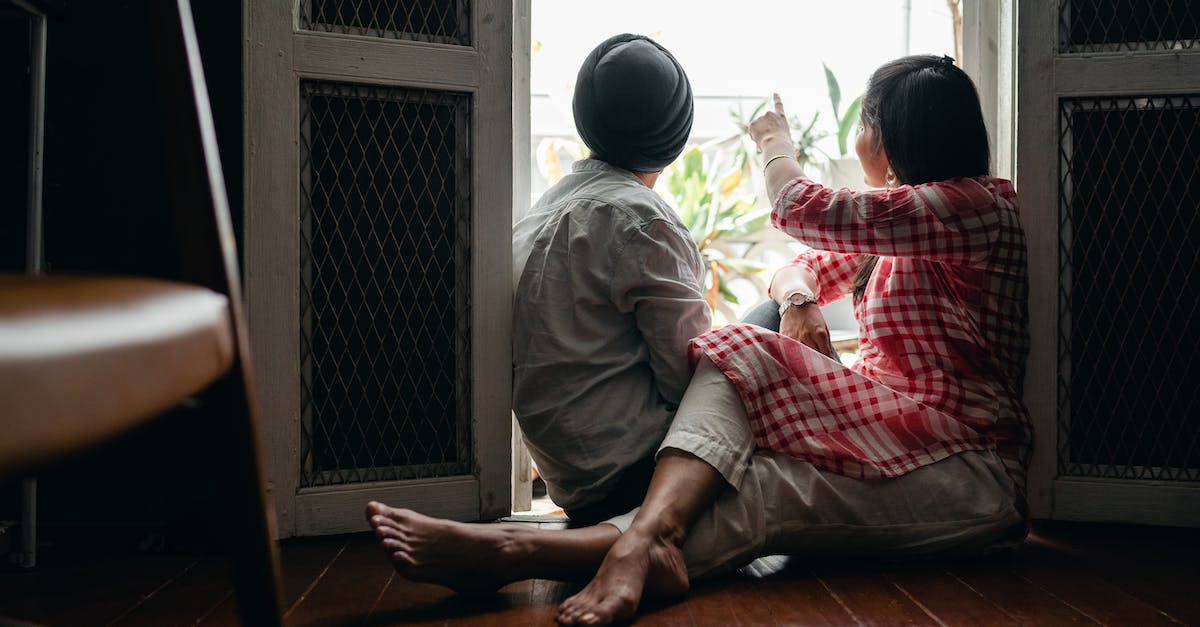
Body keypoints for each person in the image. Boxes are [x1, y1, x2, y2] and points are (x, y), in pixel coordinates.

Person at [365, 54, 1032, 627]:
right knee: (746, 363)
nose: (860, 137)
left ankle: (526, 552)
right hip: (895, 438)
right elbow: (796, 263)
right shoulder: (898, 230)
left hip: (968, 467)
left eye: (866, 123)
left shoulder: (981, 208)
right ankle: (614, 547)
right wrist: (798, 300)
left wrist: (774, 141)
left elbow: (801, 209)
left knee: (763, 479)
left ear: (896, 140)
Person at [508, 33, 709, 524]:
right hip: (643, 477)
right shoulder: (644, 222)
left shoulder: (541, 213)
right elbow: (690, 380)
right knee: (764, 330)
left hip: (574, 486)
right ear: (674, 137)